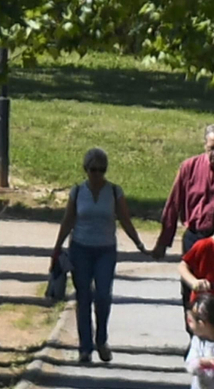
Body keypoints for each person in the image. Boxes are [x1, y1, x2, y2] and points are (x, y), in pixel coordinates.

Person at [50, 147, 149, 363]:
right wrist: (57, 247)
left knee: (103, 295)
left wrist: (139, 244)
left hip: (105, 249)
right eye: (93, 170)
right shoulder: (78, 192)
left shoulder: (114, 191)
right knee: (83, 296)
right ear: (86, 169)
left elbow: (125, 219)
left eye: (101, 170)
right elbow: (68, 219)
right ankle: (85, 347)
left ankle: (101, 338)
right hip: (80, 248)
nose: (97, 174)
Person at [152, 124, 214, 264]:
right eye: (211, 148)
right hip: (194, 237)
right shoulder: (189, 168)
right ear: (205, 145)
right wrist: (163, 242)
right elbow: (173, 205)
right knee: (190, 282)